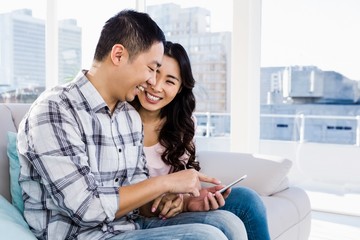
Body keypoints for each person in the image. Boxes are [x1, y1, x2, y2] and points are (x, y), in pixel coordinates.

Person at [17, 10, 248, 240]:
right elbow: (85, 208)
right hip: (82, 236)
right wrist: (166, 182)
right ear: (118, 55)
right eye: (151, 68)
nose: (151, 81)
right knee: (206, 238)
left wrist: (178, 202)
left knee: (227, 222)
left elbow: (139, 205)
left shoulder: (128, 116)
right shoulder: (54, 110)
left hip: (129, 228)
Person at [131, 41, 272, 240]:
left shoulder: (183, 124)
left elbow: (180, 183)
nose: (156, 85)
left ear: (180, 88)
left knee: (248, 200)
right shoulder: (121, 119)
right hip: (136, 215)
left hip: (168, 212)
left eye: (170, 81)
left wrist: (188, 200)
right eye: (153, 73)